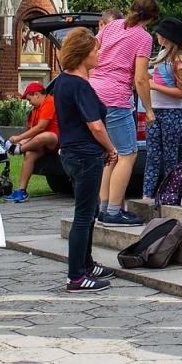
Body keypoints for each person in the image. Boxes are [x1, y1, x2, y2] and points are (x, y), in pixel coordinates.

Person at [47, 28, 121, 293]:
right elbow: (96, 125)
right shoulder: (79, 85)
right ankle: (76, 276)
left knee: (88, 212)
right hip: (85, 154)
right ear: (82, 56)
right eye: (95, 51)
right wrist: (111, 149)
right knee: (83, 215)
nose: (98, 54)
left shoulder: (63, 81)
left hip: (71, 153)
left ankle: (86, 264)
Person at [92, 0, 158, 225]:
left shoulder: (112, 26)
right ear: (151, 17)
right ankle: (113, 212)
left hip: (94, 92)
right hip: (116, 98)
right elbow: (140, 79)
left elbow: (92, 49)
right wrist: (149, 110)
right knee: (127, 154)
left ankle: (102, 208)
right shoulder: (143, 37)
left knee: (111, 154)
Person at [142, 18, 182, 202]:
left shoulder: (180, 60)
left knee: (170, 154)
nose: (157, 35)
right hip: (155, 108)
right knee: (152, 154)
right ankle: (147, 192)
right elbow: (154, 79)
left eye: (160, 32)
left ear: (168, 36)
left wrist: (153, 85)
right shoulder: (161, 55)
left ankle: (171, 191)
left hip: (172, 111)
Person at [5, 82, 58, 203]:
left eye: (30, 100)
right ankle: (22, 191)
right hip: (41, 144)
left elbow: (40, 128)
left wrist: (19, 140)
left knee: (44, 136)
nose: (30, 103)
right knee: (29, 155)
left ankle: (18, 150)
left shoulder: (49, 102)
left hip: (55, 140)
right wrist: (21, 143)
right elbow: (32, 132)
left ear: (37, 95)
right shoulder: (36, 109)